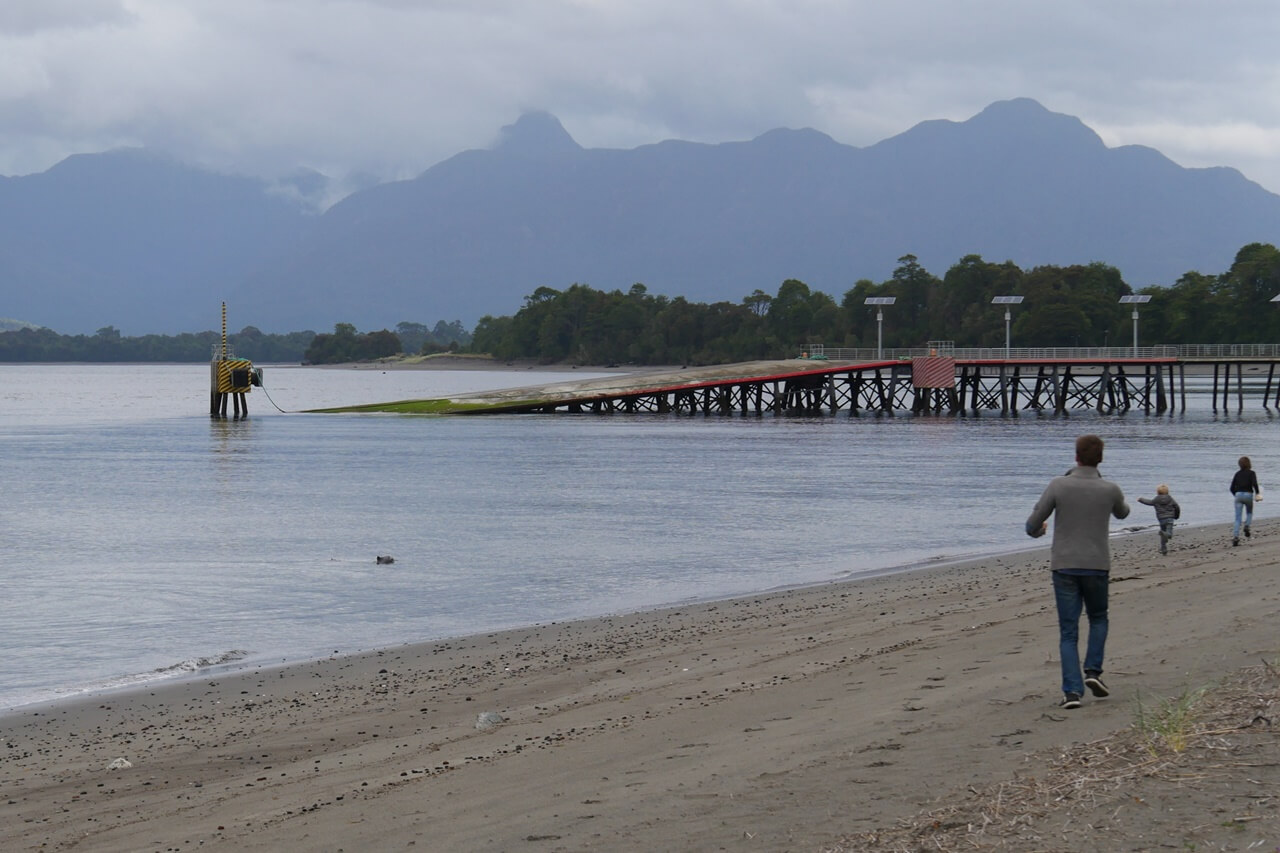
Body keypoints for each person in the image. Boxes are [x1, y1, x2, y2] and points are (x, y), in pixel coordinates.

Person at [1025, 434, 1130, 710]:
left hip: (1065, 565)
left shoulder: (1059, 485)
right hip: (1097, 564)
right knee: (1098, 618)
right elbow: (1123, 513)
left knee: (1068, 631)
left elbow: (1032, 524)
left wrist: (1039, 531)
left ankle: (1072, 692)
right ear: (1100, 459)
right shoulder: (1110, 489)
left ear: (1076, 457)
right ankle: (1093, 672)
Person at [1138, 484, 1181, 555]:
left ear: (1158, 492)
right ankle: (1165, 535)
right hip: (1170, 518)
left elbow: (1149, 502)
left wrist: (1141, 499)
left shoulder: (1156, 499)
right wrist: (1176, 516)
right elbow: (1177, 507)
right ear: (1167, 492)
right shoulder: (1170, 498)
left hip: (1161, 519)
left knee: (1163, 534)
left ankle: (1164, 549)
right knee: (1169, 534)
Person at [1229, 456, 1262, 547]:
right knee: (1249, 513)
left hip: (1238, 495)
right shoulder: (1252, 473)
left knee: (1237, 518)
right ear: (1249, 464)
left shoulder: (1237, 474)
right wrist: (1257, 493)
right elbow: (1254, 484)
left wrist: (1236, 495)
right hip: (1248, 495)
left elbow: (1231, 488)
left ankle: (1236, 537)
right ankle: (1247, 525)